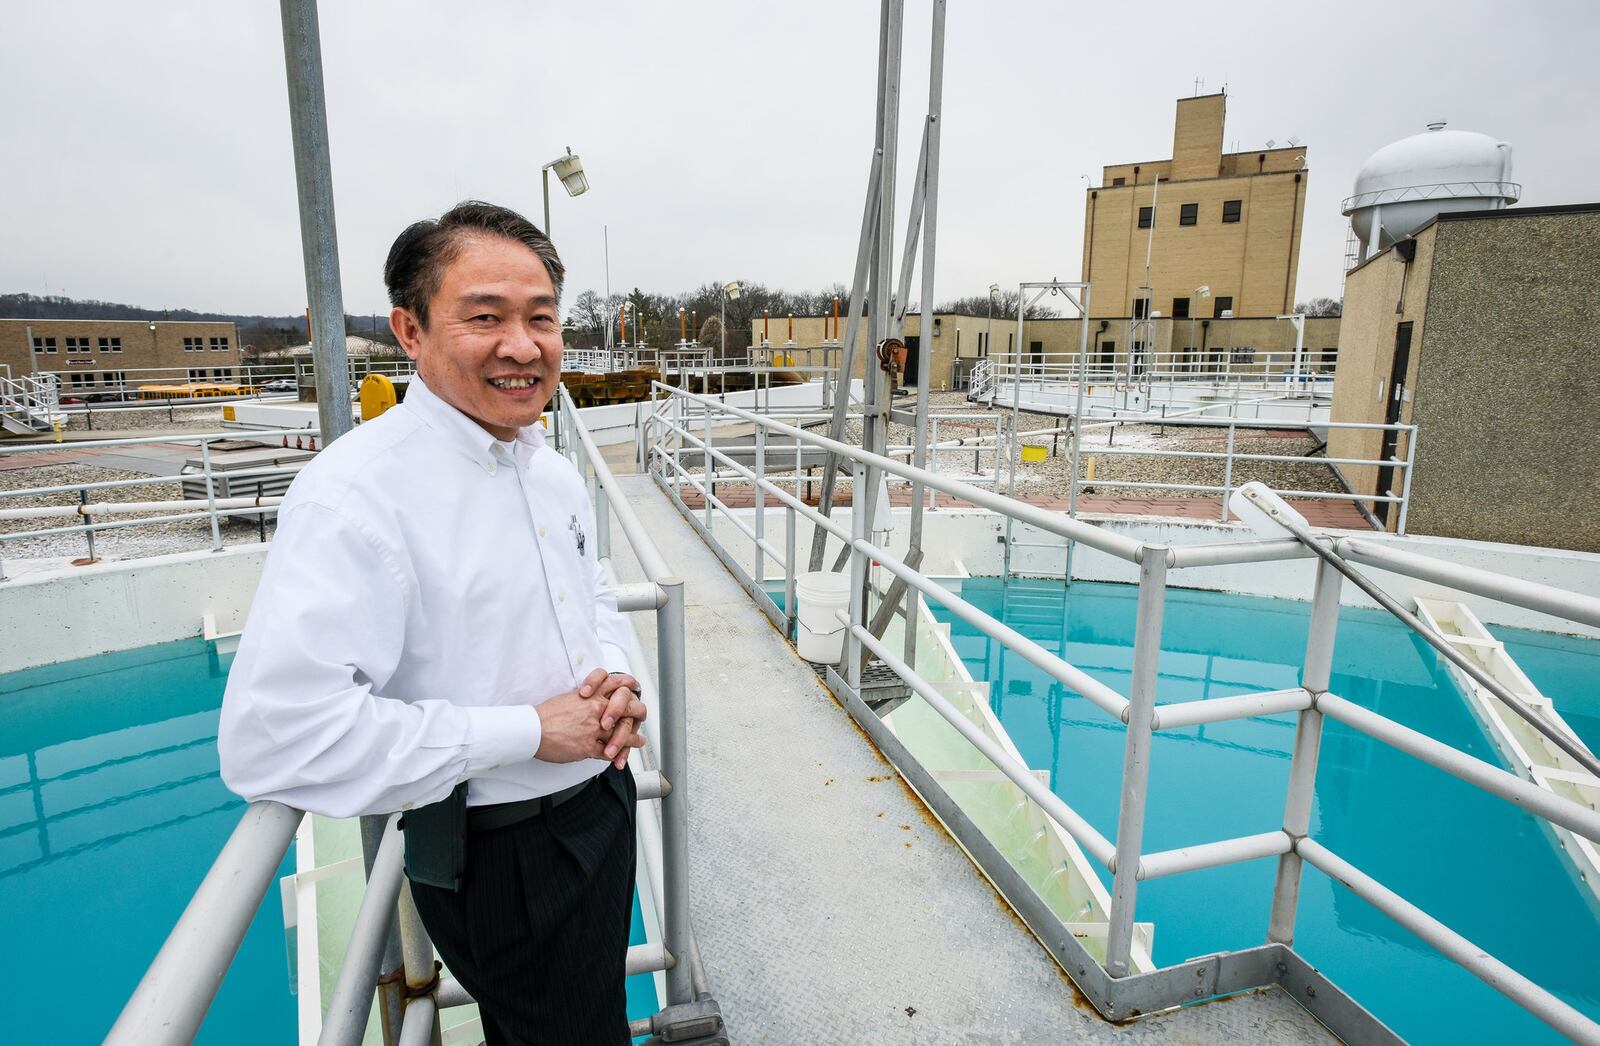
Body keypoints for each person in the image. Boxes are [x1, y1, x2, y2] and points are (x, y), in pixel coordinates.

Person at [219, 200, 647, 1045]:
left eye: (541, 318)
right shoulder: (357, 497)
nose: (522, 346)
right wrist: (525, 731)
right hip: (501, 849)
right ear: (409, 331)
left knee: (588, 1021)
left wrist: (618, 677)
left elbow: (591, 586)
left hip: (602, 804)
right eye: (484, 317)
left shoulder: (547, 470)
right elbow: (275, 736)